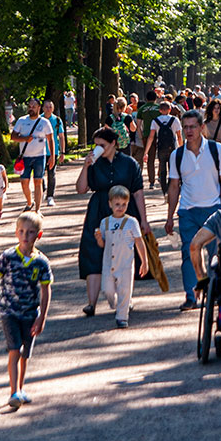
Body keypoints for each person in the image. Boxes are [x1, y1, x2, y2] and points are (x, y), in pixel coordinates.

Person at [0, 211, 53, 409]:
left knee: (25, 353)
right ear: (15, 233)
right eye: (21, 231)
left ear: (39, 235)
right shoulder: (8, 257)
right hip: (9, 312)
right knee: (14, 349)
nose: (25, 236)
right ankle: (13, 391)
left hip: (30, 313)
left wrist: (42, 317)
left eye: (30, 232)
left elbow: (46, 290)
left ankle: (20, 388)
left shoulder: (41, 262)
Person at [76, 127, 151, 317]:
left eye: (102, 145)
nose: (97, 148)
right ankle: (91, 303)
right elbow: (81, 189)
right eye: (96, 145)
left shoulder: (129, 163)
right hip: (99, 209)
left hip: (125, 210)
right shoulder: (94, 163)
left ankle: (126, 298)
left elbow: (138, 192)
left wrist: (143, 220)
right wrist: (85, 166)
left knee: (123, 253)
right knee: (92, 251)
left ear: (113, 144)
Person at [163, 109, 221, 311]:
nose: (189, 131)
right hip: (188, 211)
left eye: (193, 126)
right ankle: (191, 295)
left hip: (212, 209)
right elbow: (174, 186)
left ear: (202, 127)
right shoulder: (177, 155)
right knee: (188, 252)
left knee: (215, 254)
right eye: (185, 127)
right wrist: (169, 216)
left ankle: (215, 293)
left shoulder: (216, 149)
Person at [94, 185, 149, 328]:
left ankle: (122, 317)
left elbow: (139, 241)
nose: (120, 207)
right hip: (108, 263)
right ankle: (116, 303)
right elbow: (103, 244)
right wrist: (99, 238)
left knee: (125, 290)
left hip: (125, 263)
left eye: (124, 204)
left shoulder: (131, 222)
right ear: (110, 204)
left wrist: (144, 261)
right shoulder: (105, 222)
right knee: (107, 290)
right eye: (117, 204)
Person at [11, 98, 55, 212]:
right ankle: (30, 202)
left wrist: (52, 156)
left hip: (40, 156)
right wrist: (24, 138)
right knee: (24, 182)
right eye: (29, 106)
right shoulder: (21, 121)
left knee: (38, 181)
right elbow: (13, 136)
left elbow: (50, 140)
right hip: (25, 157)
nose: (31, 108)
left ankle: (37, 210)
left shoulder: (44, 122)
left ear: (39, 108)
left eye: (33, 106)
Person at [143, 101, 183, 194]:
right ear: (170, 109)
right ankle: (170, 188)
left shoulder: (155, 121)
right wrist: (181, 148)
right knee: (172, 168)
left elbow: (151, 137)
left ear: (160, 110)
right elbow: (179, 136)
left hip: (161, 147)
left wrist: (146, 152)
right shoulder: (175, 120)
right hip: (173, 148)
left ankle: (164, 189)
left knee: (162, 167)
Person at [134, 92, 162, 187]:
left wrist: (141, 136)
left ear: (146, 98)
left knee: (150, 158)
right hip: (160, 135)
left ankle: (151, 181)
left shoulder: (142, 109)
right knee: (162, 157)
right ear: (156, 98)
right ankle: (160, 175)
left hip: (147, 135)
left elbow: (138, 126)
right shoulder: (159, 108)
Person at [42, 100, 66, 207]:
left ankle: (50, 196)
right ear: (42, 108)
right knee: (40, 175)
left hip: (52, 152)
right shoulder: (39, 119)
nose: (48, 109)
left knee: (51, 174)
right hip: (40, 152)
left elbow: (61, 137)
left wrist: (62, 152)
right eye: (46, 107)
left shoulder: (57, 120)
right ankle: (43, 189)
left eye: (50, 107)